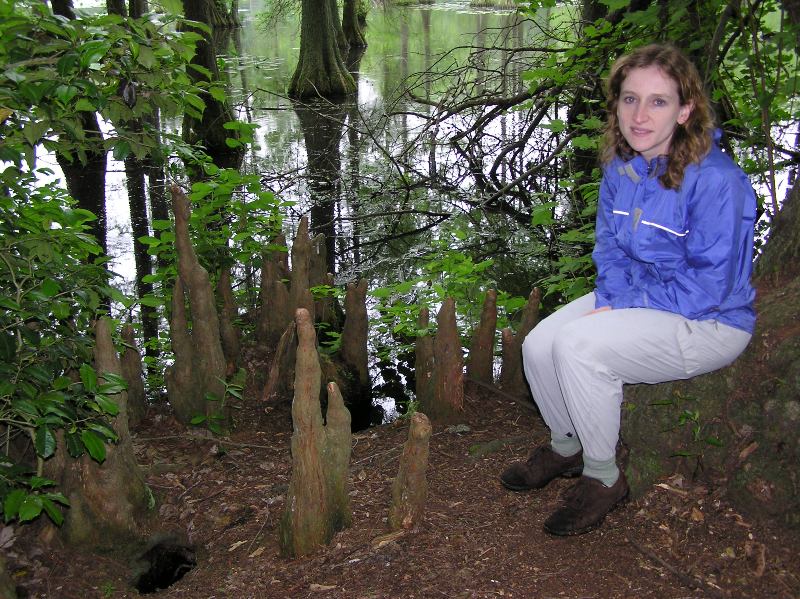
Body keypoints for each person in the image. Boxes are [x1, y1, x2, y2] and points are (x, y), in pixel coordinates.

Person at [500, 43, 756, 536]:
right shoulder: (624, 165)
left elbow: (707, 287)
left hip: (709, 320)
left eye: (658, 102)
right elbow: (609, 250)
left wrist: (620, 308)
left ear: (685, 111)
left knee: (579, 347)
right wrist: (614, 300)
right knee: (538, 346)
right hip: (639, 297)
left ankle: (603, 478)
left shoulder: (718, 182)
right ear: (615, 105)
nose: (640, 115)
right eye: (630, 99)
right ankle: (566, 445)